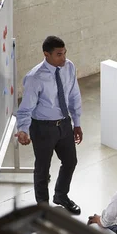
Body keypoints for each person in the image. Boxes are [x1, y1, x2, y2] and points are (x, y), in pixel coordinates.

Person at [16, 36, 83, 215]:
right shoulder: (34, 78)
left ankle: (61, 195)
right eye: (59, 55)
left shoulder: (69, 67)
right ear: (46, 54)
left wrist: (77, 123)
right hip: (43, 128)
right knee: (42, 168)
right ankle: (43, 208)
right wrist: (23, 130)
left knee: (70, 161)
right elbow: (25, 108)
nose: (63, 58)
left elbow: (74, 95)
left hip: (65, 123)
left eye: (64, 53)